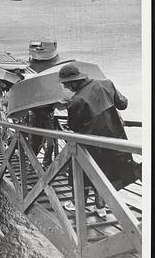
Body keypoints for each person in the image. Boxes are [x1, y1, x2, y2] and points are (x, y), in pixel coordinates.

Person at [58, 62, 141, 217]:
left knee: (83, 170)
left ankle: (77, 204)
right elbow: (123, 104)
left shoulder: (76, 100)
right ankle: (100, 206)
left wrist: (68, 105)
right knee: (107, 172)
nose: (65, 88)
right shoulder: (107, 84)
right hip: (115, 141)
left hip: (92, 145)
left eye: (66, 84)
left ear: (74, 81)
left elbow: (74, 126)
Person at [27, 104, 55, 170]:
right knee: (36, 143)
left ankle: (46, 163)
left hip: (47, 117)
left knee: (51, 143)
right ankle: (32, 163)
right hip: (36, 117)